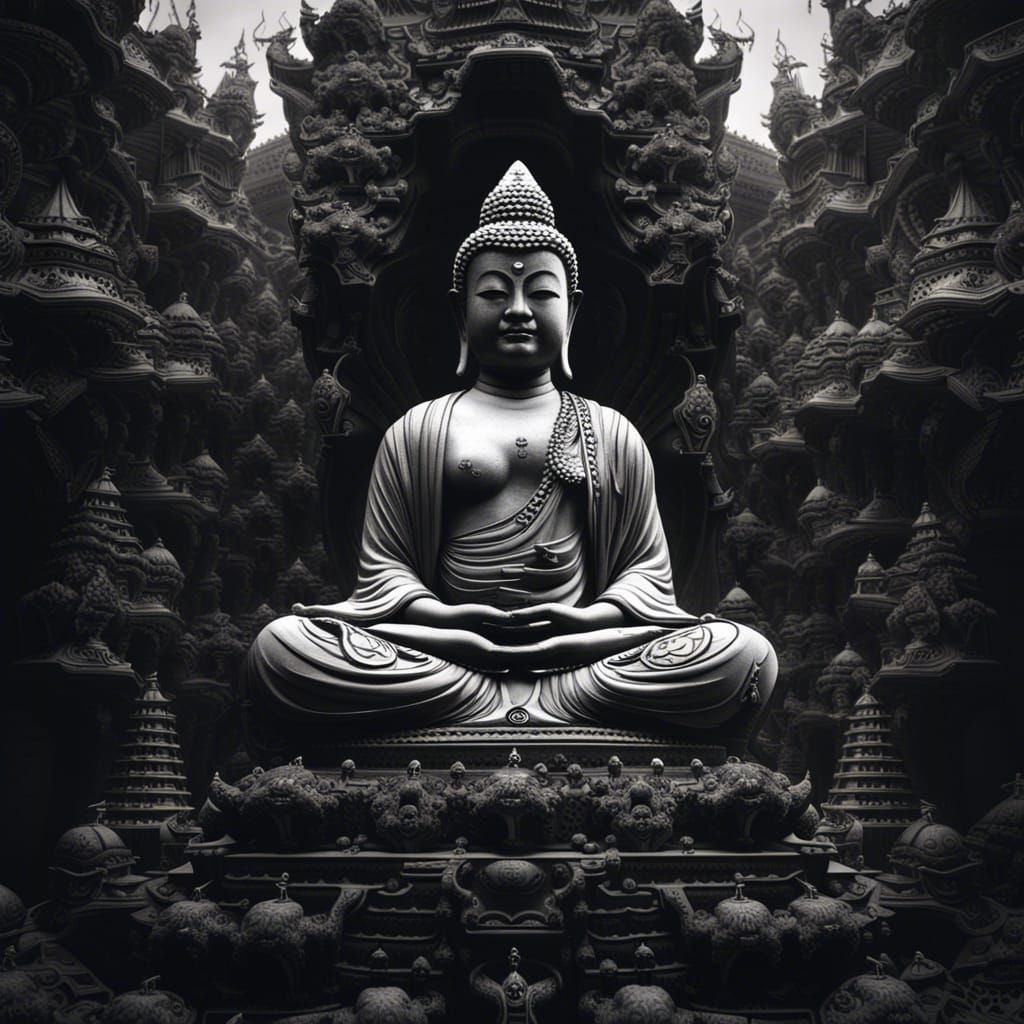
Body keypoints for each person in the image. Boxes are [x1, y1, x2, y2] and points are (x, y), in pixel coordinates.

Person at [244, 162, 776, 734]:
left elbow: (644, 580)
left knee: (743, 654)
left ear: (570, 312)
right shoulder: (418, 429)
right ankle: (525, 710)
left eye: (539, 292)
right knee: (282, 648)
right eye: (495, 292)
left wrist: (582, 622)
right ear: (460, 313)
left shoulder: (611, 432)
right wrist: (455, 621)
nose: (518, 309)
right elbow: (386, 579)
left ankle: (510, 710)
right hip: (445, 654)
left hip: (584, 659)